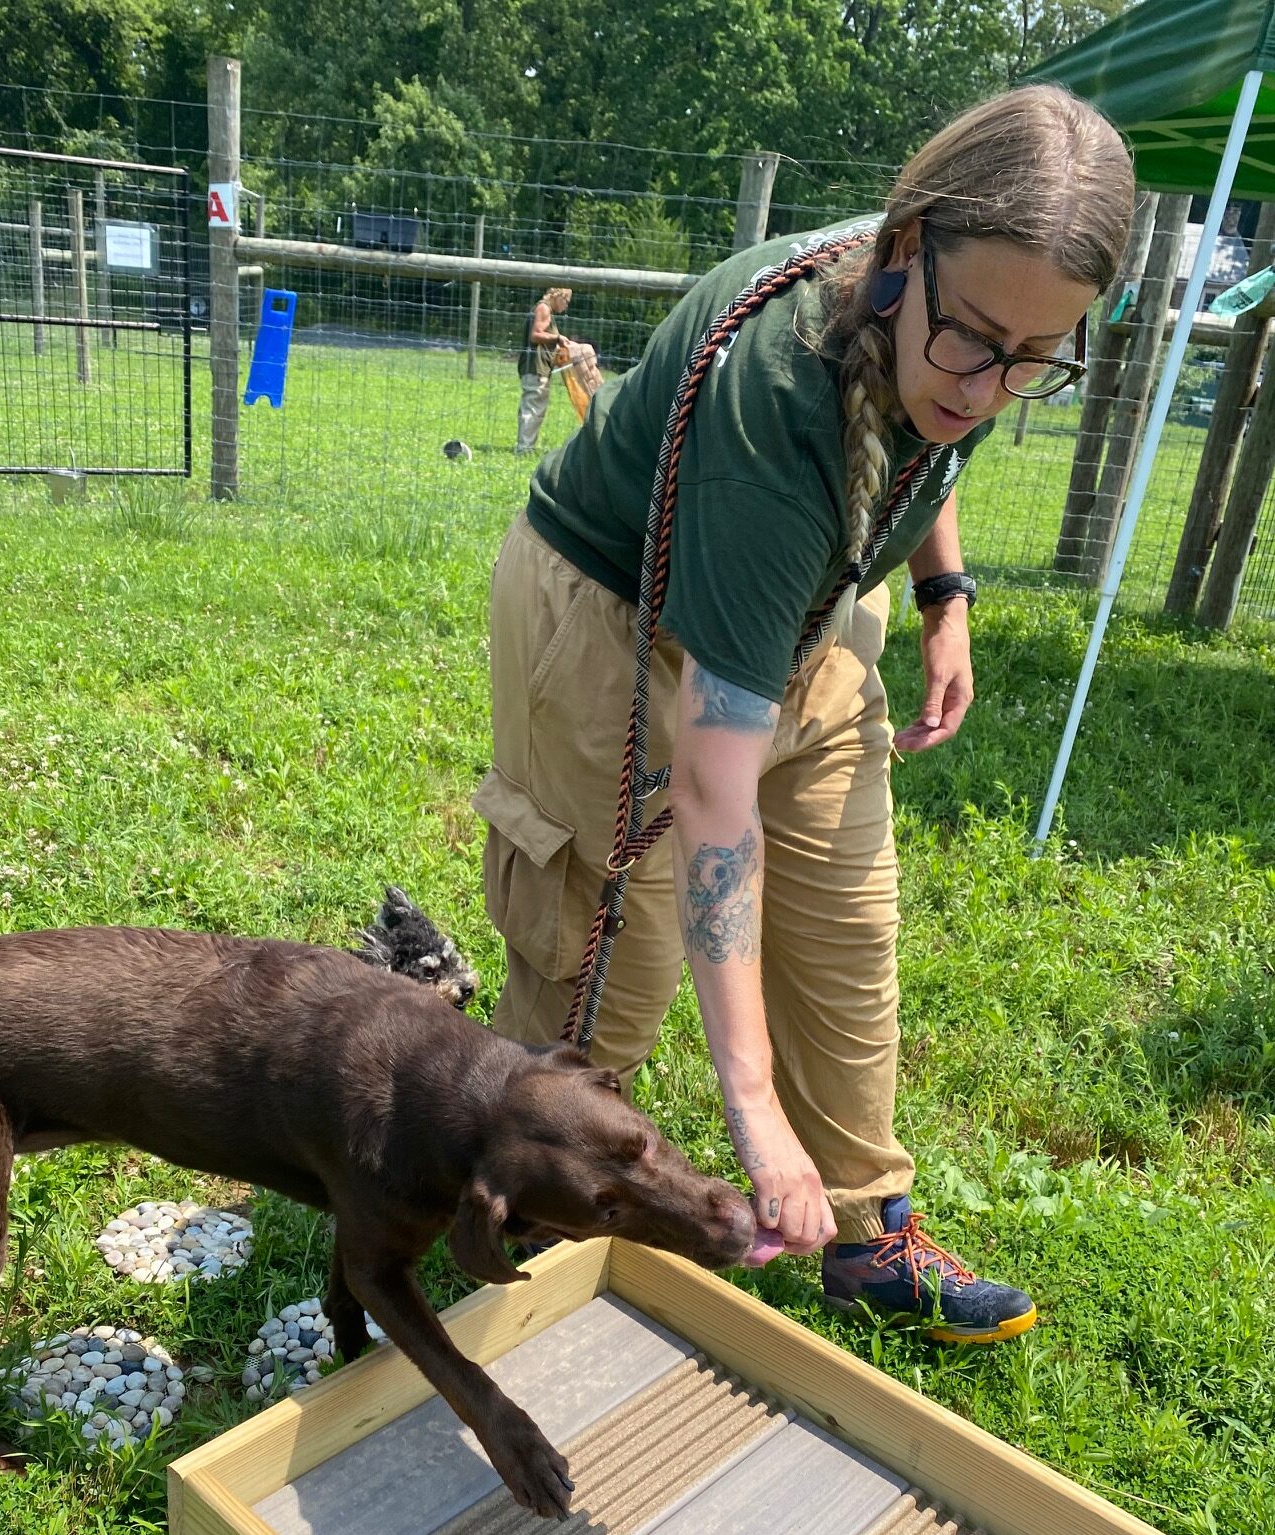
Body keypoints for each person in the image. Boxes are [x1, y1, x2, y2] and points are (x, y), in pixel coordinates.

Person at [474, 85, 1135, 1342]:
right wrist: (751, 1107)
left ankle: (868, 1234)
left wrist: (944, 591)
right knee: (616, 953)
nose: (993, 386)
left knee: (845, 915)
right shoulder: (777, 403)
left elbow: (929, 433)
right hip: (618, 614)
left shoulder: (966, 316)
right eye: (978, 341)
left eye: (1036, 358)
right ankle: (524, 1208)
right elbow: (717, 794)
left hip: (811, 607)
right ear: (902, 253)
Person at [517, 286, 578, 451]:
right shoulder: (543, 308)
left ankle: (525, 445)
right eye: (566, 301)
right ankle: (524, 448)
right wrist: (558, 338)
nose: (566, 306)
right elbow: (536, 335)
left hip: (538, 366)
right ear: (558, 296)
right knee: (533, 408)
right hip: (536, 367)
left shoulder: (545, 309)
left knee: (533, 406)